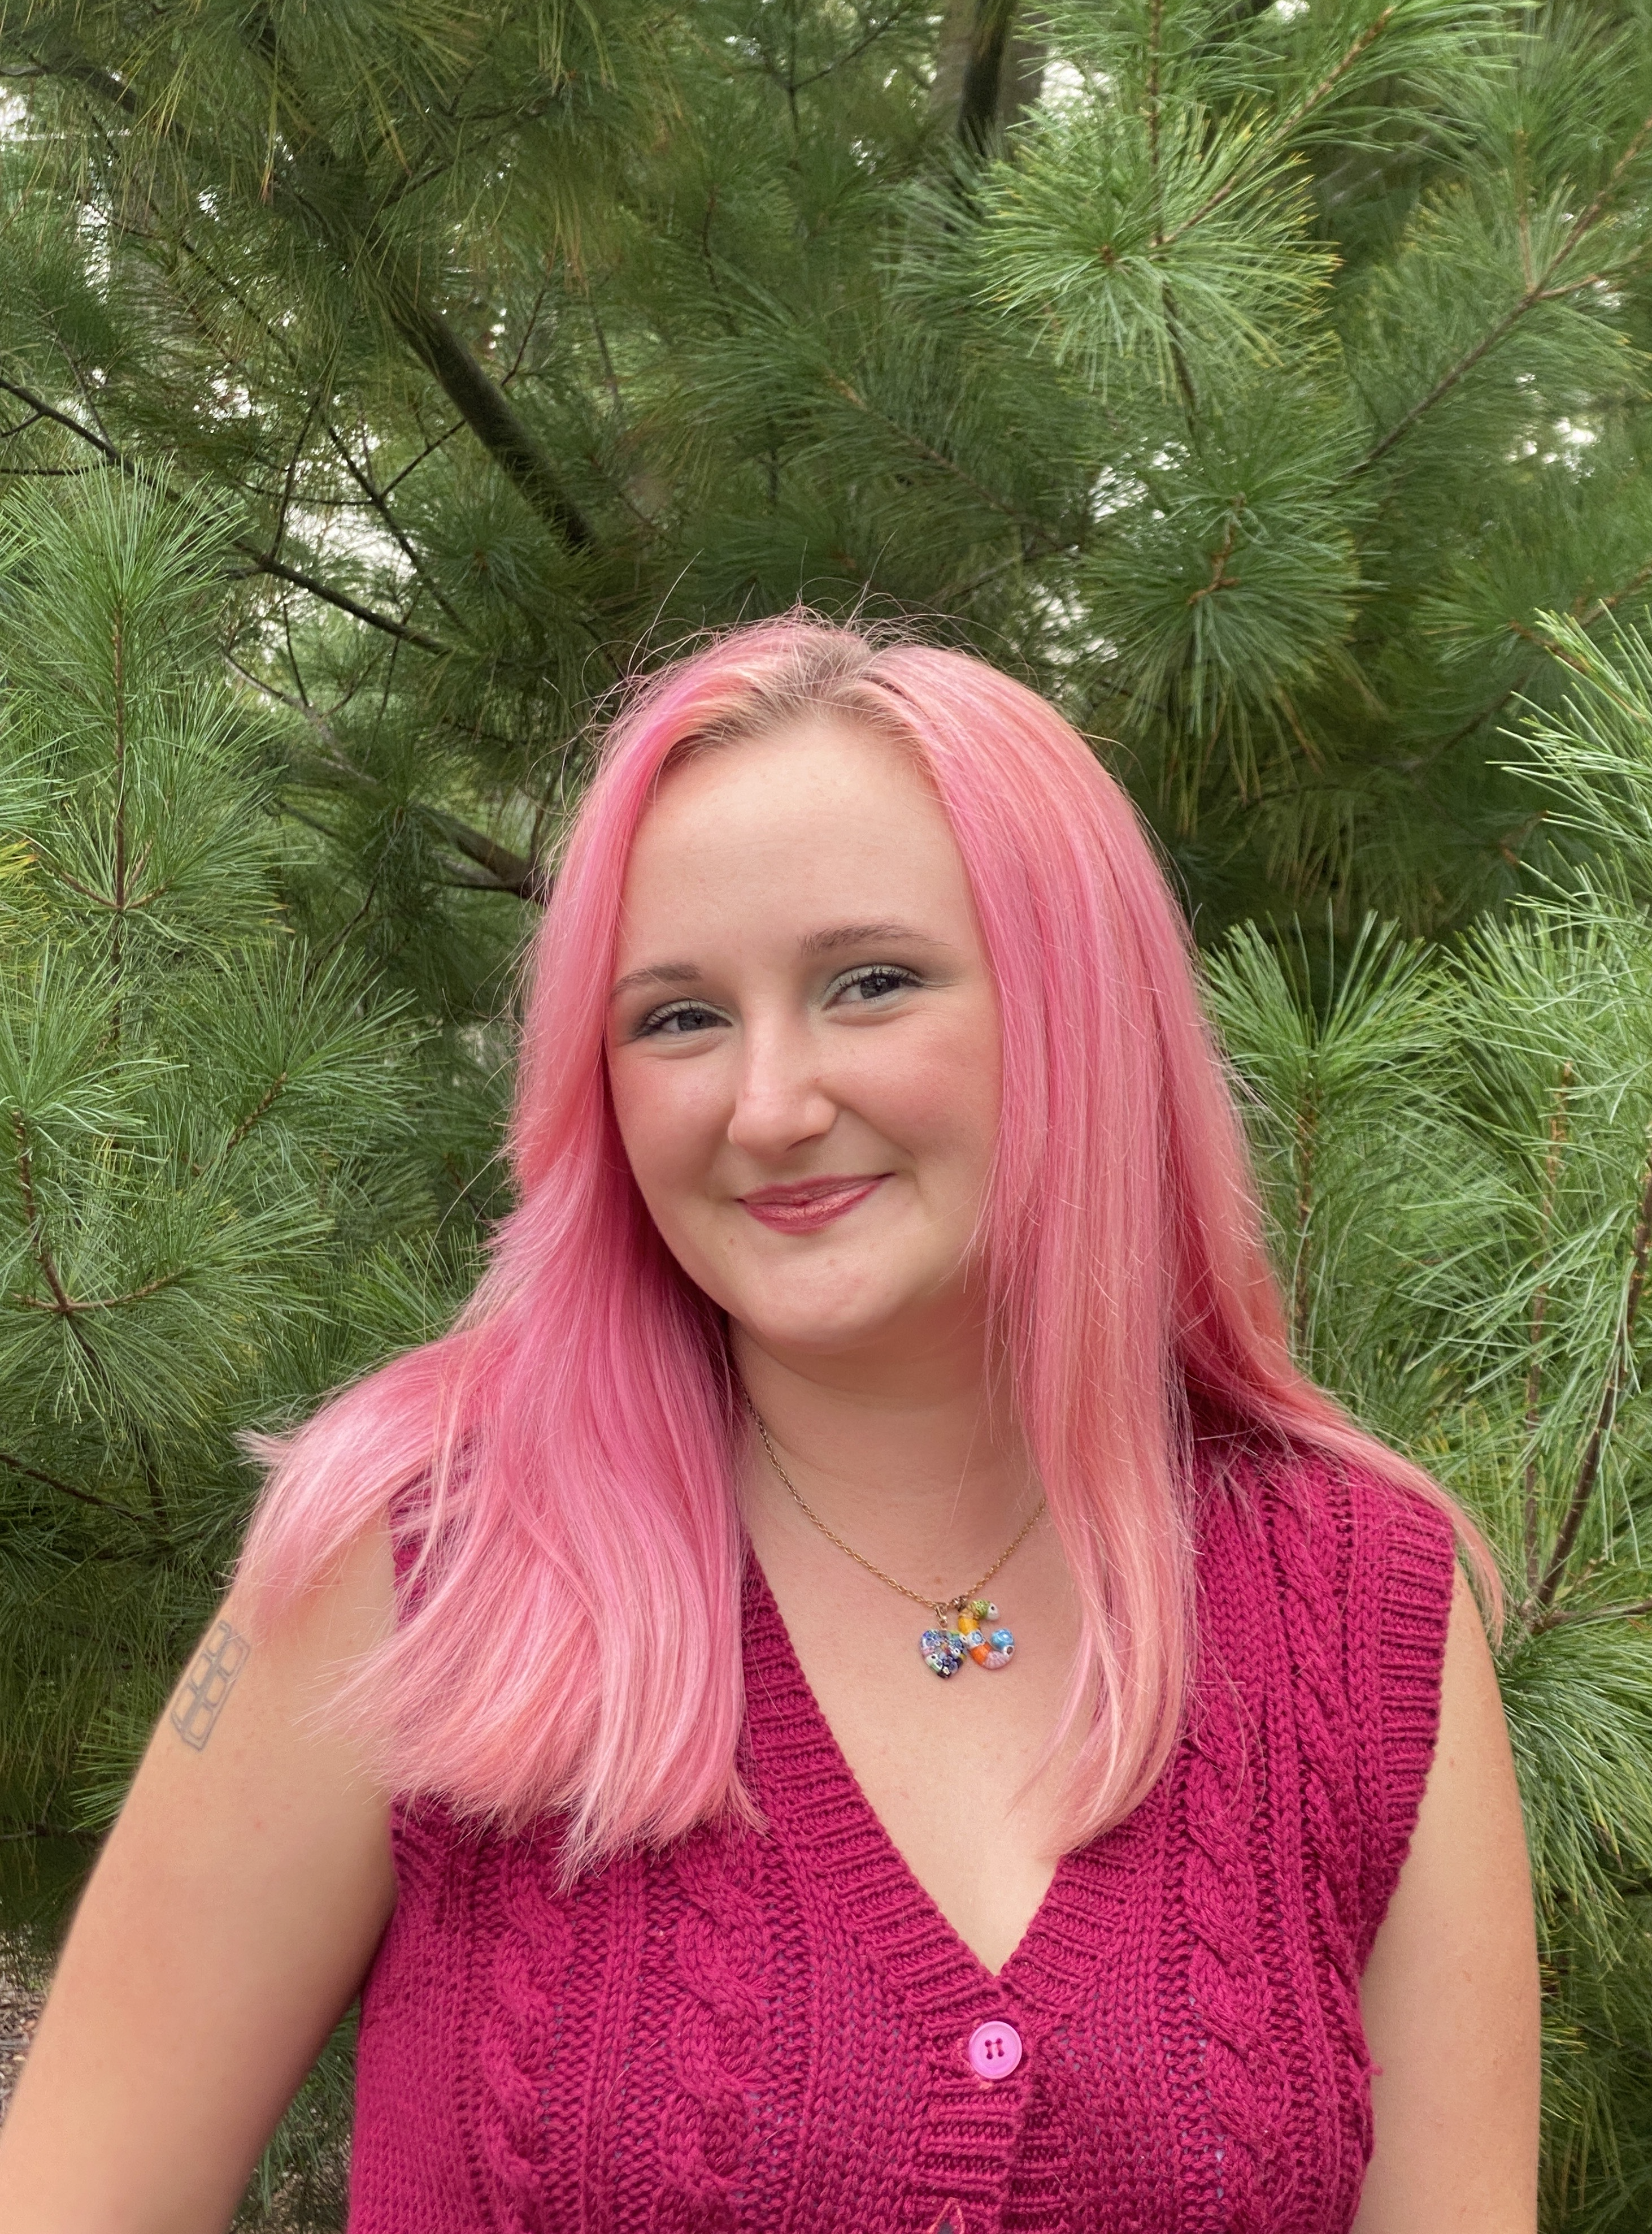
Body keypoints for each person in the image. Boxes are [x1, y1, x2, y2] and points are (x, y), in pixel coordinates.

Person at [0, 615, 1539, 2233]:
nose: (769, 1104)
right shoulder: (420, 1545)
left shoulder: (1362, 1603)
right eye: (678, 1017)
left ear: (1079, 1011)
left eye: (871, 983)